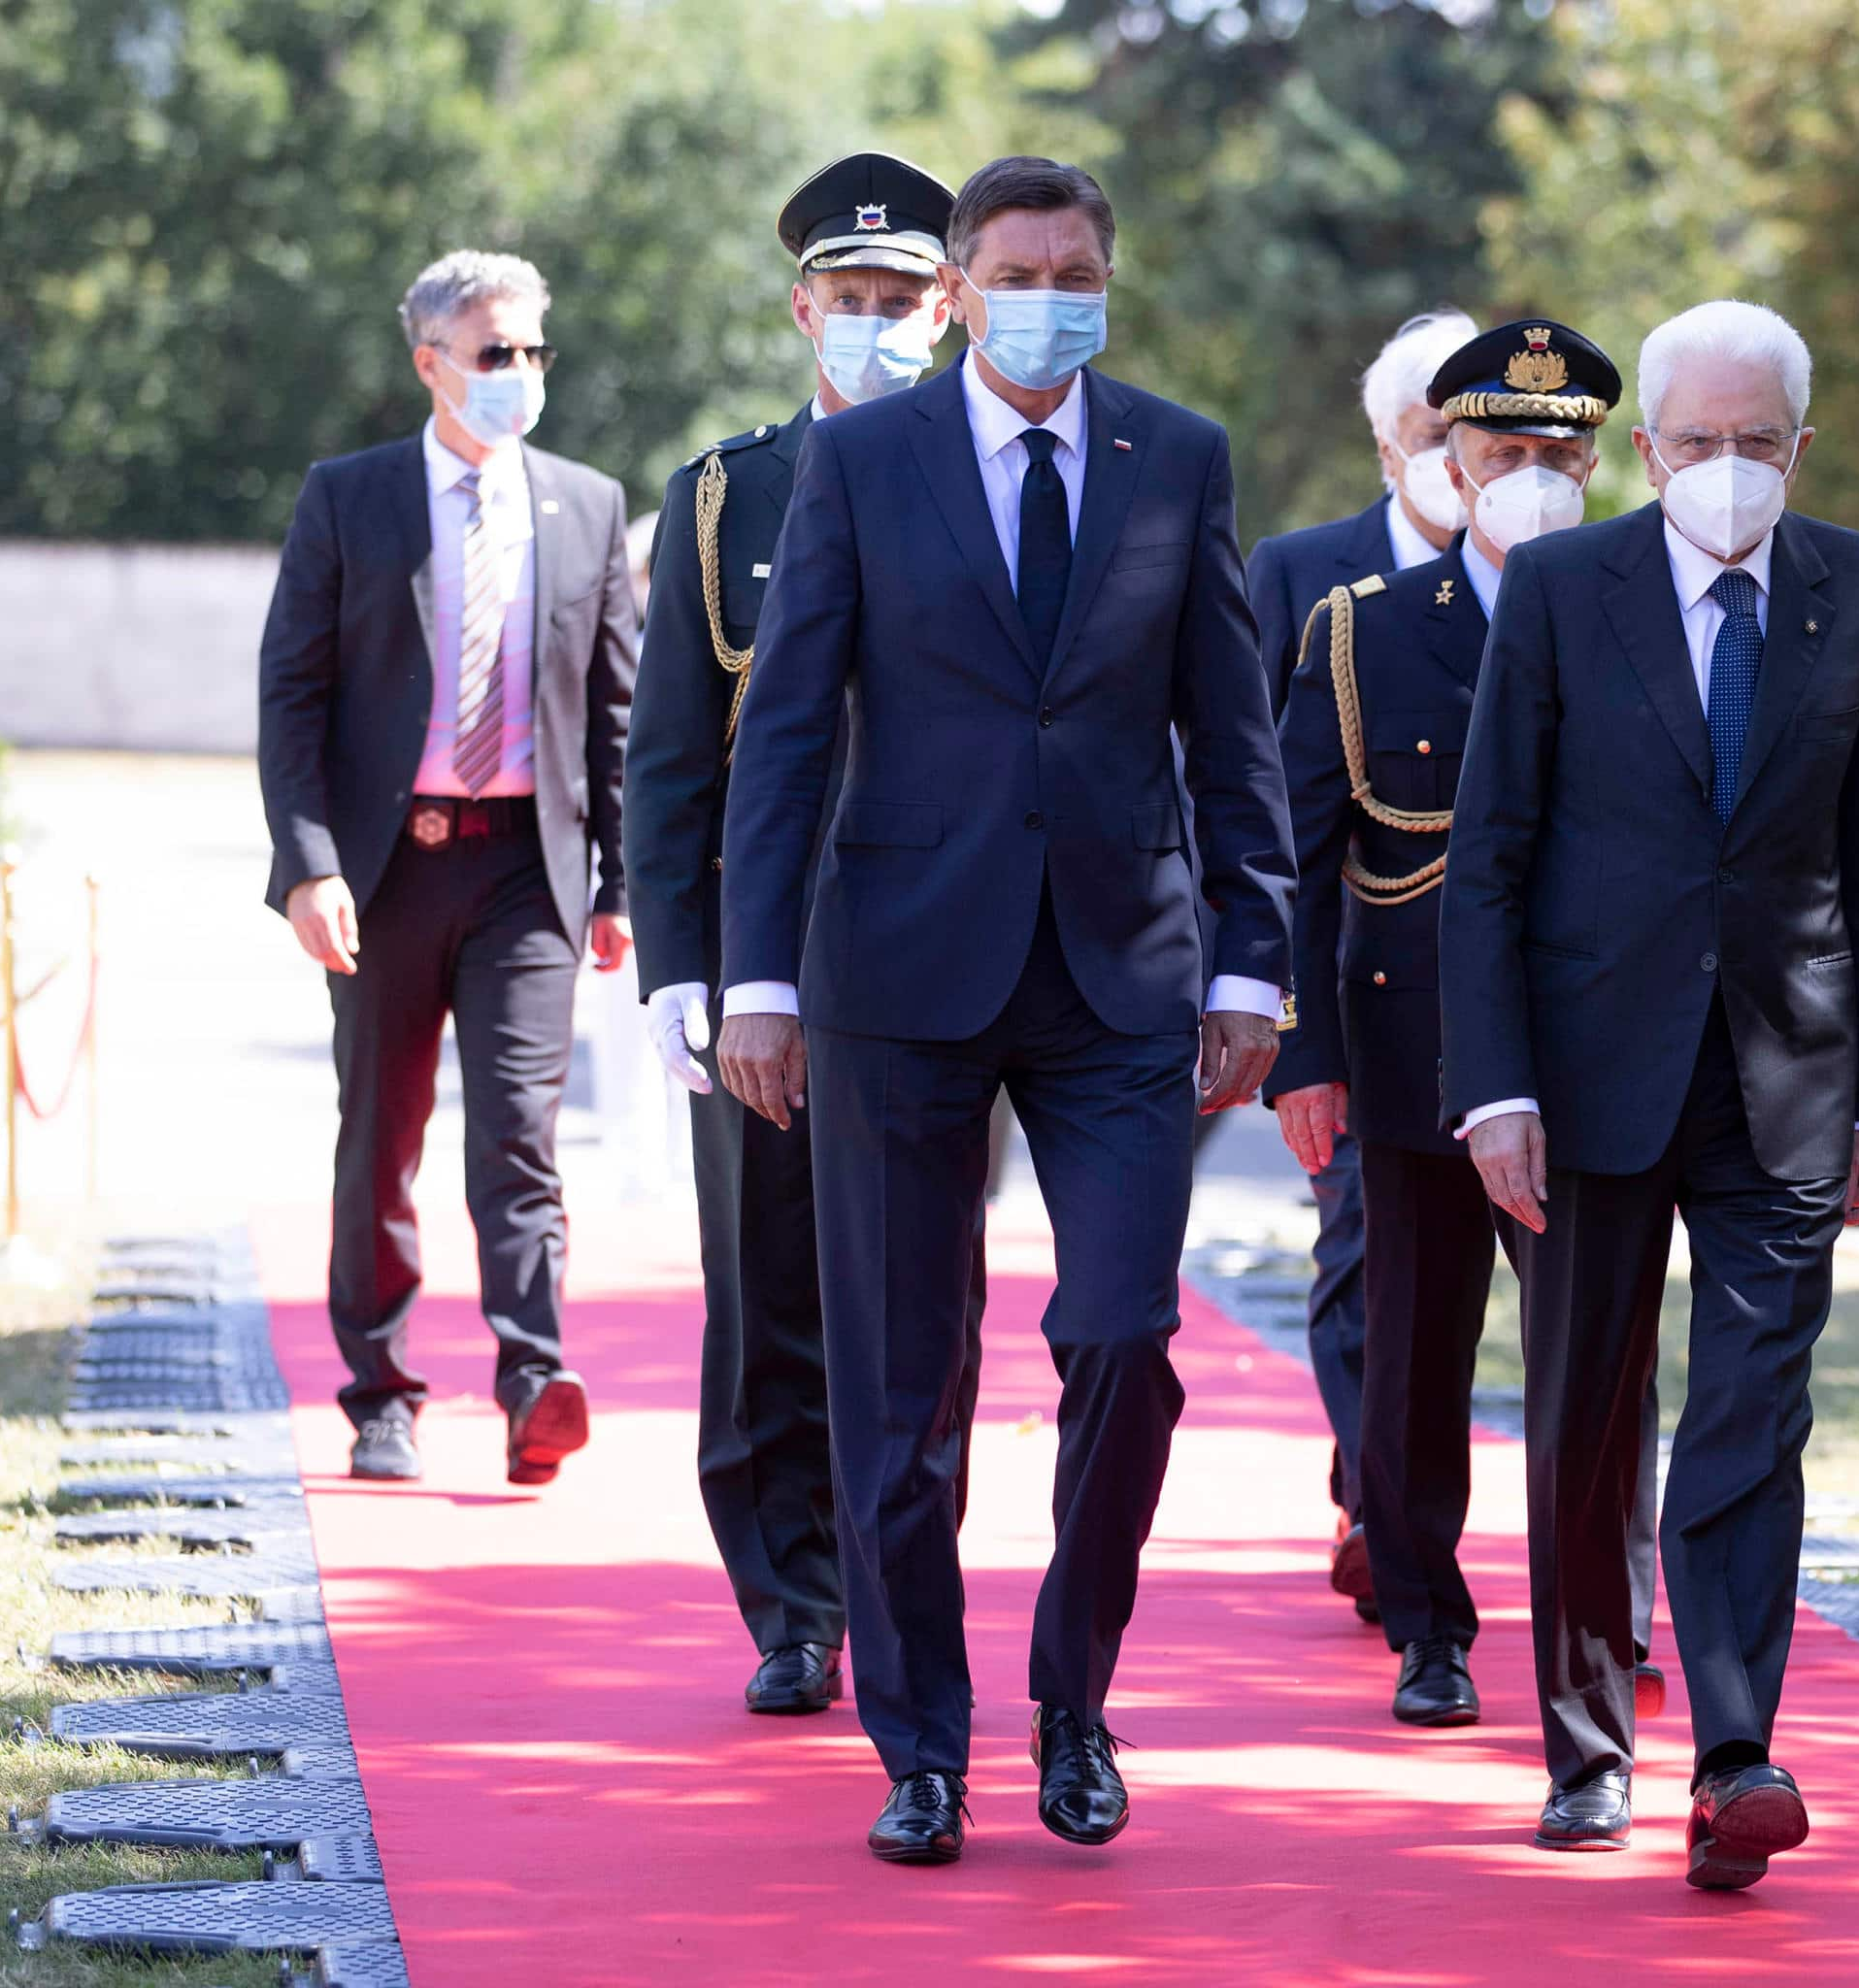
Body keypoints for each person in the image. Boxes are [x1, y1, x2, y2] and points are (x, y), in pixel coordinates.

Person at [714, 156, 1294, 1867]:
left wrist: (1255, 958)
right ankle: (920, 1743)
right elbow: (790, 730)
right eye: (1020, 264)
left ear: (1108, 275)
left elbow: (1232, 722)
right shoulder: (861, 458)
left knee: (1121, 1335)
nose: (1054, 289)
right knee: (904, 1383)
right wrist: (759, 975)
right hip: (896, 968)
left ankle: (1072, 1700)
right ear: (960, 285)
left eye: (1079, 264)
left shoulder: (1175, 458)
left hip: (1124, 975)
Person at [1441, 300, 1859, 1887]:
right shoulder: (1567, 588)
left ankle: (1733, 1752)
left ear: (1802, 446)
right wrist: (1492, 1082)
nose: (1726, 469)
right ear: (1645, 448)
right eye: (1697, 442)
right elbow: (1490, 851)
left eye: (1756, 443)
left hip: (1785, 1072)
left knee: (1748, 1411)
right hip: (1586, 1073)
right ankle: (1587, 1747)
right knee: (1584, 1413)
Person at [625, 153, 988, 1720]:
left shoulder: (998, 472)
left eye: (901, 303)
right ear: (801, 309)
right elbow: (674, 750)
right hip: (766, 956)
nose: (877, 327)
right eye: (850, 303)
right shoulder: (723, 497)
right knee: (766, 1282)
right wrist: (676, 961)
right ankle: (790, 1601)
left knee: (923, 1292)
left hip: (946, 955)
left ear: (949, 307)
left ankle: (901, 1575)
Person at [1270, 318, 1672, 1732]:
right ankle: (1427, 1623)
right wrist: (1301, 1053)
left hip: (1599, 1057)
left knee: (1605, 1360)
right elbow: (1302, 858)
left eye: (1565, 453)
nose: (1537, 477)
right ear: (1446, 457)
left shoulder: (1648, 622)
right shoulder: (1366, 627)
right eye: (1507, 451)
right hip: (1412, 1050)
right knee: (1413, 1357)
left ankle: (1609, 1621)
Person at [257, 250, 638, 1488]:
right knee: (383, 1131)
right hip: (386, 873)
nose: (518, 375)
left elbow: (621, 713)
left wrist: (624, 884)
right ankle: (380, 1391)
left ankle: (534, 1377)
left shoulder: (585, 506)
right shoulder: (349, 498)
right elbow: (292, 696)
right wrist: (309, 865)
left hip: (528, 873)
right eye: (492, 354)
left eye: (534, 352)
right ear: (430, 364)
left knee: (522, 1132)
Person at [1241, 307, 1475, 1619]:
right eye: (1427, 436)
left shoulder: (1553, 574)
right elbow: (1267, 802)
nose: (1453, 456)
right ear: (1385, 447)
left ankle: (1379, 1501)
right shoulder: (1301, 573)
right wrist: (1276, 1014)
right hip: (1356, 979)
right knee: (1362, 1261)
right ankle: (1377, 1508)